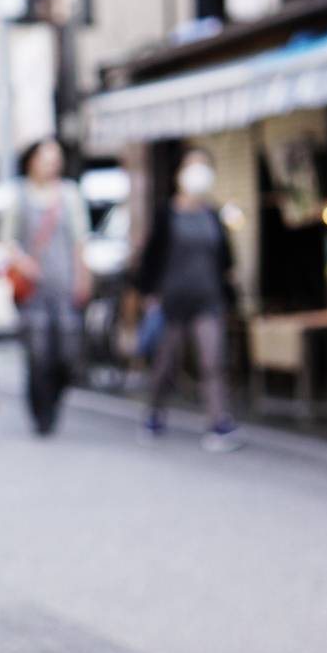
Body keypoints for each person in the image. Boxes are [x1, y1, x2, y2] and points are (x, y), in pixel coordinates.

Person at [136, 147, 241, 451]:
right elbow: (151, 257)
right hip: (171, 300)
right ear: (179, 173)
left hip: (208, 297)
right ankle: (154, 412)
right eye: (192, 165)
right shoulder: (166, 213)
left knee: (213, 360)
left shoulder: (213, 214)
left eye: (204, 166)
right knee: (167, 362)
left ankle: (218, 421)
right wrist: (149, 294)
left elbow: (226, 258)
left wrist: (230, 286)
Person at [2, 138, 91, 435]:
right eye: (46, 158)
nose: (52, 163)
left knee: (67, 354)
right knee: (37, 355)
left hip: (64, 284)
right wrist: (24, 263)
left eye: (56, 158)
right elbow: (7, 241)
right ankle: (41, 413)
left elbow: (80, 240)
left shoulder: (69, 194)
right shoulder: (20, 196)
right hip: (32, 289)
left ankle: (55, 398)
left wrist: (83, 276)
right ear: (31, 161)